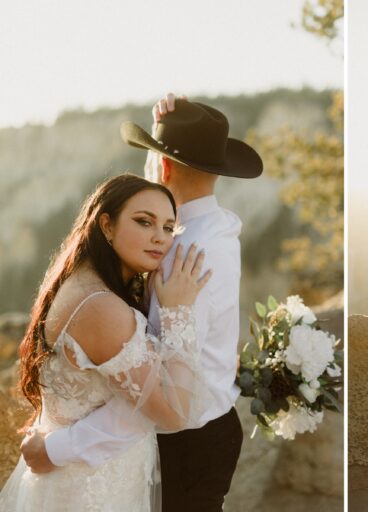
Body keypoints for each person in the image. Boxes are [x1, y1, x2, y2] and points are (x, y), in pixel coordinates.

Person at [19, 94, 263, 511]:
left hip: (186, 438)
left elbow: (158, 397)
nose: (158, 235)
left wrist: (57, 449)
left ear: (163, 165)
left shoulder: (180, 257)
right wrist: (163, 143)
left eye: (162, 226)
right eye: (148, 223)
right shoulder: (215, 229)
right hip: (208, 427)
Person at [0, 174, 212, 511]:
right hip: (88, 491)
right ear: (107, 226)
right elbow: (174, 412)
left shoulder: (86, 284)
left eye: (169, 228)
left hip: (88, 477)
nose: (160, 238)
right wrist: (179, 312)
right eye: (145, 222)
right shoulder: (100, 307)